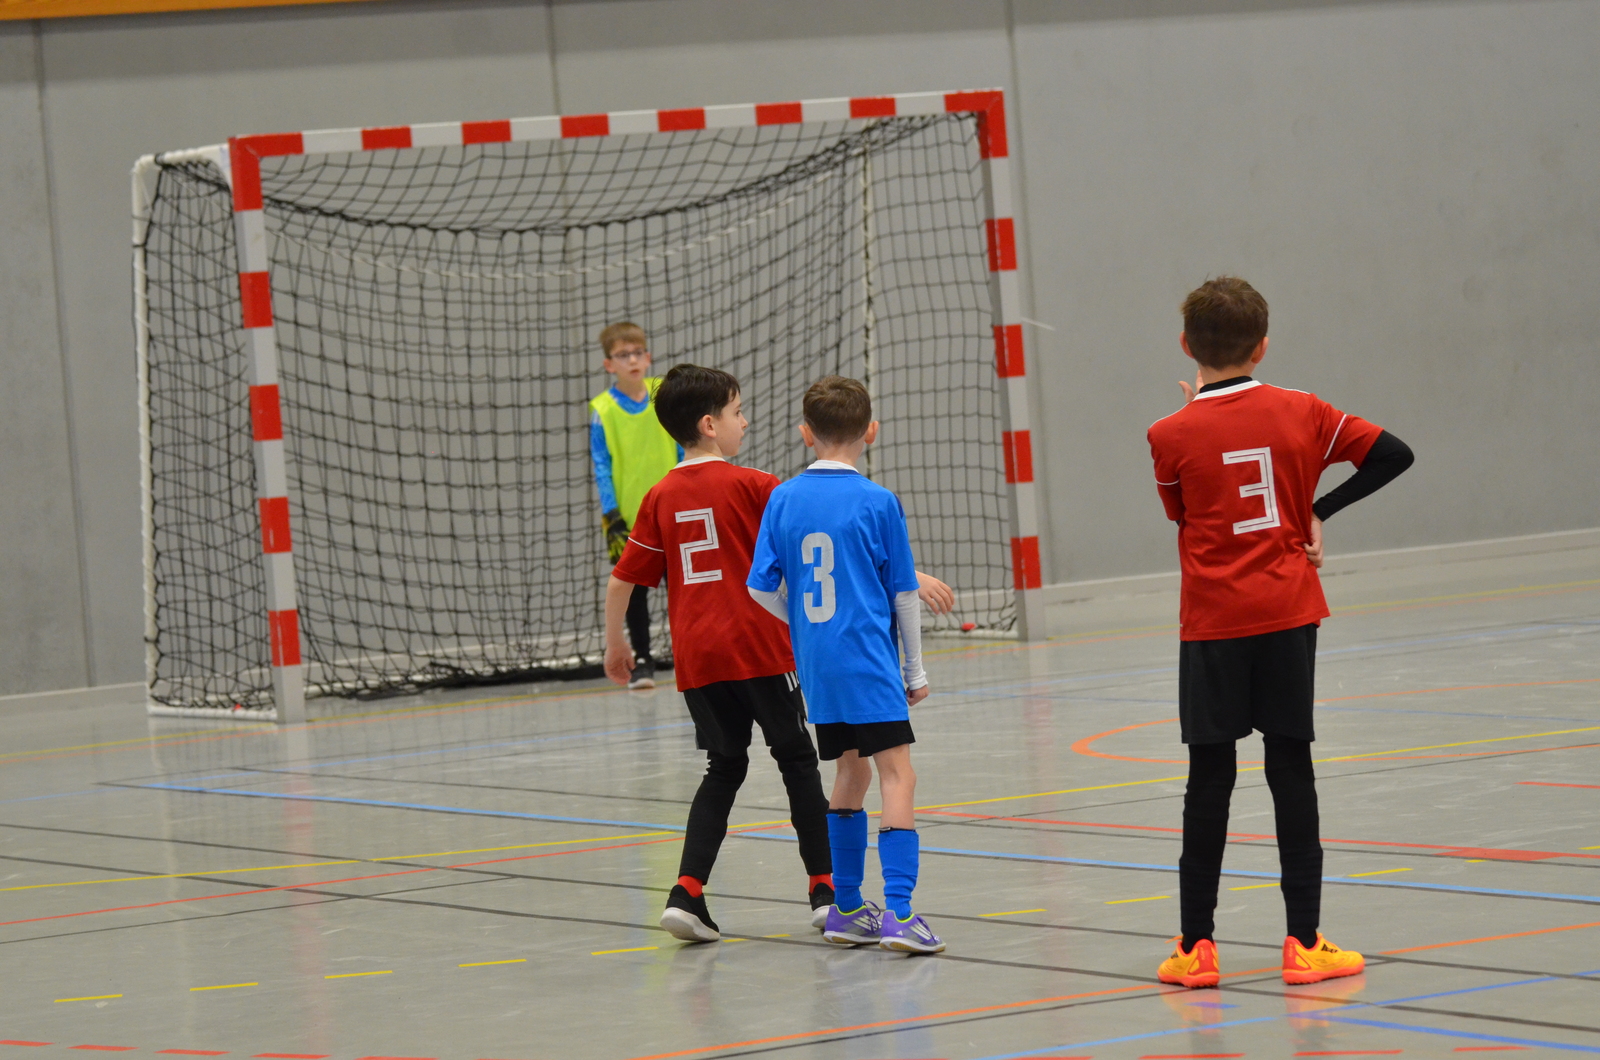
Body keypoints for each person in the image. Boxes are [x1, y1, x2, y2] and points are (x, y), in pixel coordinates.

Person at [604, 365, 953, 943]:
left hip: (698, 657)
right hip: (762, 651)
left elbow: (624, 580)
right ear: (710, 424)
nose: (745, 422)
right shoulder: (758, 485)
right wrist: (906, 577)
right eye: (738, 412)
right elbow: (836, 537)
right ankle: (832, 893)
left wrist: (617, 643)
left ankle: (688, 891)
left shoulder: (660, 495)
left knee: (726, 767)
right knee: (803, 764)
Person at [1146, 277, 1414, 988]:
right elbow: (1394, 454)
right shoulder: (1305, 410)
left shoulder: (1168, 434)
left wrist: (1194, 417)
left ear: (1186, 344)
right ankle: (1304, 943)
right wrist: (1317, 509)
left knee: (1209, 778)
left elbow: (1182, 512)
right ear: (1262, 346)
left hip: (1212, 623)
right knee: (1291, 768)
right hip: (1288, 613)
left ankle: (1196, 948)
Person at [747, 376, 946, 955]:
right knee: (898, 775)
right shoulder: (877, 501)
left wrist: (803, 626)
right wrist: (914, 671)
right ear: (871, 432)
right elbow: (904, 595)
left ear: (805, 433)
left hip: (818, 665)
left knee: (850, 773)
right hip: (867, 659)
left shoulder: (783, 497)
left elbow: (760, 588)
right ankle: (901, 913)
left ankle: (848, 909)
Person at [589, 321, 680, 689]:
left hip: (674, 509)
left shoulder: (664, 394)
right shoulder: (603, 409)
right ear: (609, 364)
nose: (632, 360)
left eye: (637, 353)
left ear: (648, 357)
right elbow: (601, 464)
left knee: (683, 586)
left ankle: (688, 651)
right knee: (634, 591)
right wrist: (611, 512)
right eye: (623, 355)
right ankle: (643, 659)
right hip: (629, 517)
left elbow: (682, 444)